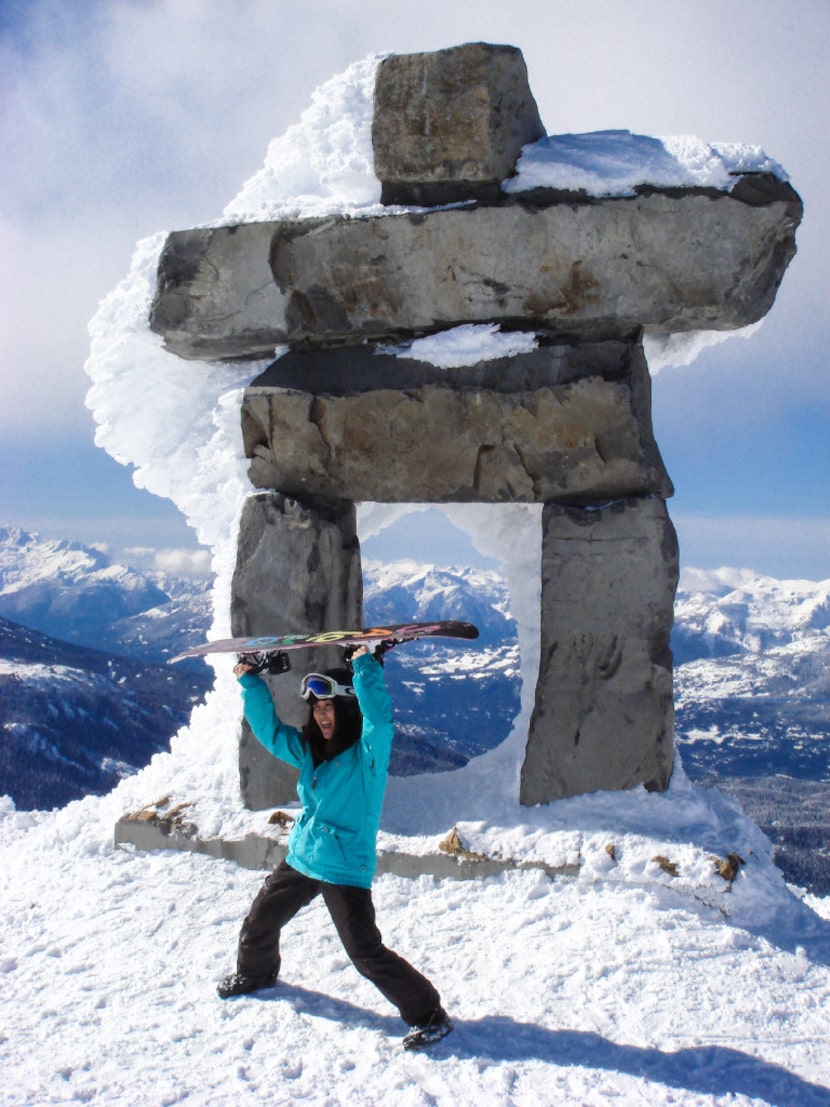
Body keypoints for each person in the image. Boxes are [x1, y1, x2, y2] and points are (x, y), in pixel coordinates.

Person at [218, 645, 453, 1051]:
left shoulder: (367, 758)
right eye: (316, 709)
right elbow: (271, 733)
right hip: (305, 857)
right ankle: (256, 973)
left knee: (364, 952)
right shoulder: (311, 752)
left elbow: (380, 721)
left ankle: (429, 1014)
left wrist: (364, 665)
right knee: (260, 920)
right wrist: (250, 682)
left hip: (344, 868)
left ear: (347, 709)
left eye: (329, 707)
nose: (321, 715)